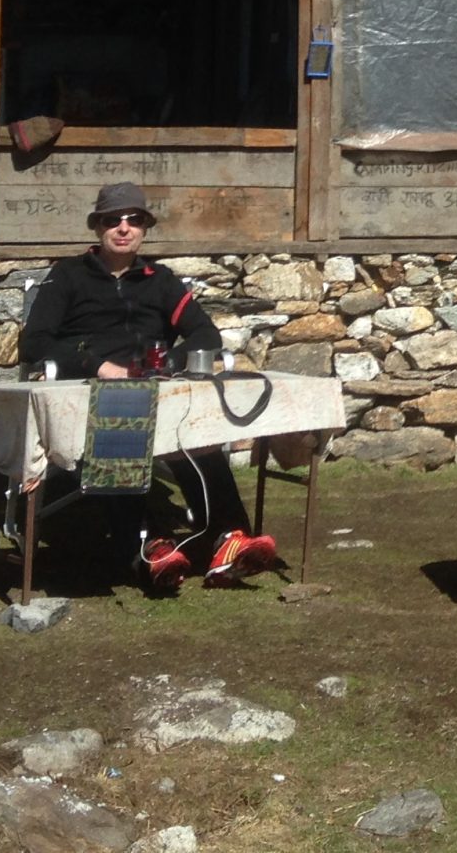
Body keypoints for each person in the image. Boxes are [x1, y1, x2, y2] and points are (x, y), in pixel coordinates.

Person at [16, 181, 274, 589]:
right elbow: (34, 342)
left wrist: (168, 362)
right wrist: (98, 365)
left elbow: (206, 335)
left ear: (145, 228)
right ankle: (150, 547)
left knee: (199, 433)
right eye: (112, 220)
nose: (123, 228)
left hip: (157, 389)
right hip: (90, 392)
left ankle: (229, 539)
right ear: (97, 227)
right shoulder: (67, 275)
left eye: (134, 220)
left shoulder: (161, 280)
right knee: (123, 428)